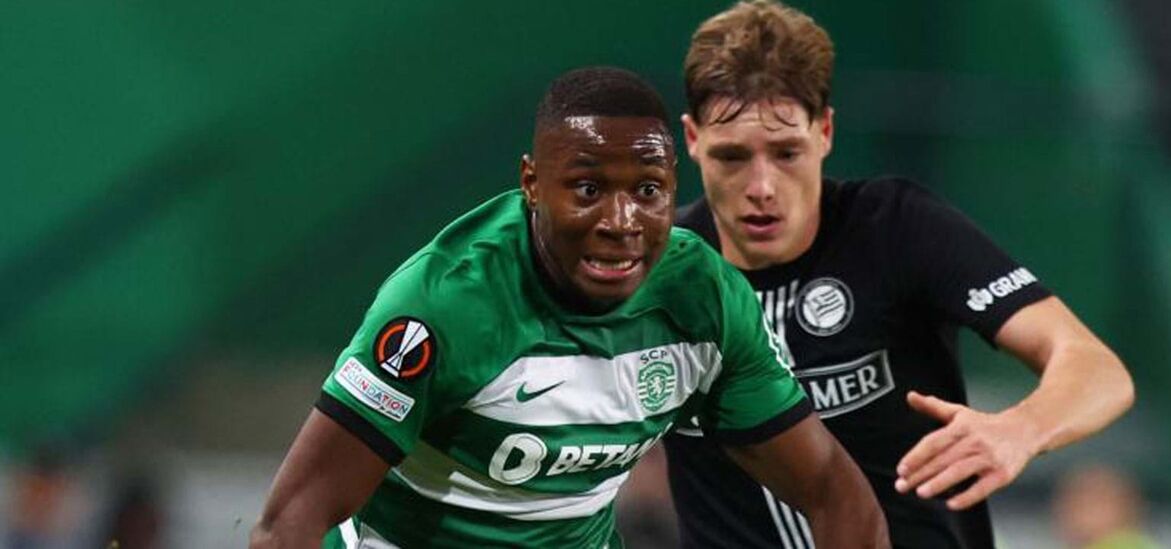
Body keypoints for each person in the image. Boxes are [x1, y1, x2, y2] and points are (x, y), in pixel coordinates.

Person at [250, 66, 888, 548]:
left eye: (648, 191)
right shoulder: (443, 305)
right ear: (532, 183)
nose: (621, 222)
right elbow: (290, 524)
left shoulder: (705, 300)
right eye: (587, 189)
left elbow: (835, 494)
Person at [665, 2, 1136, 548]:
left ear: (825, 131)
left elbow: (1098, 370)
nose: (762, 187)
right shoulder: (660, 271)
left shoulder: (896, 230)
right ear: (692, 140)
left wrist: (1019, 429)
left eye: (787, 152)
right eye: (732, 157)